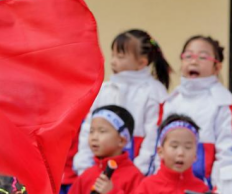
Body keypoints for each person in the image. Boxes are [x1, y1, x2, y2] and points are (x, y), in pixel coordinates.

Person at [73, 29, 170, 176]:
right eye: (113, 55)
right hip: (97, 173)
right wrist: (85, 169)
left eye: (120, 56)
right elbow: (88, 128)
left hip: (134, 176)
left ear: (141, 63)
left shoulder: (154, 92)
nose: (113, 61)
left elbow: (153, 138)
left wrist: (136, 174)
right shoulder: (104, 89)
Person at [152, 35, 232, 184]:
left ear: (217, 67)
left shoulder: (223, 102)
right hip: (168, 186)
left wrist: (218, 192)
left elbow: (227, 153)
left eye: (203, 57)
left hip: (205, 190)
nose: (194, 61)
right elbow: (158, 147)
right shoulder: (171, 100)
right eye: (188, 56)